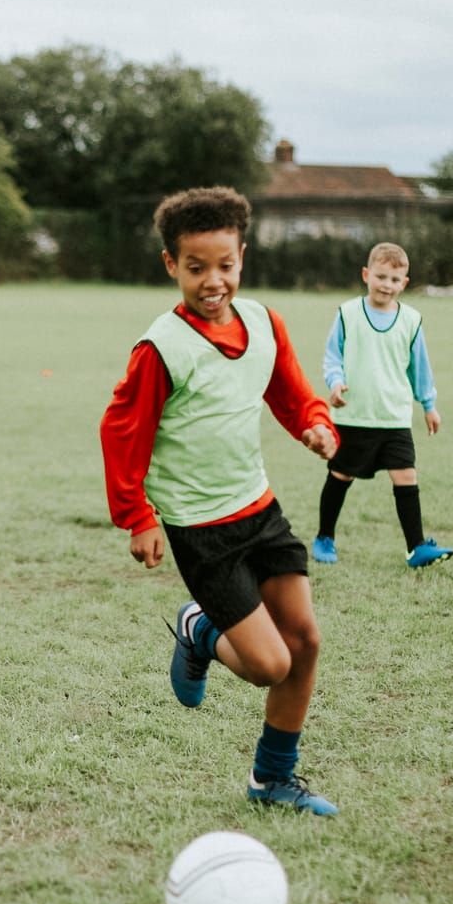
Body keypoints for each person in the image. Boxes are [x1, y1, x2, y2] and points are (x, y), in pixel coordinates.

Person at [100, 186, 342, 815]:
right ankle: (199, 629)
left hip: (260, 511)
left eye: (225, 265)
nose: (214, 281)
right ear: (170, 266)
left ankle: (271, 780)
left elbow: (291, 395)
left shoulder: (263, 321)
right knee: (267, 664)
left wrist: (317, 425)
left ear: (242, 257)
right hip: (199, 529)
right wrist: (137, 517)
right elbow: (122, 432)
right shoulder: (161, 348)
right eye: (196, 267)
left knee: (305, 642)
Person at [311, 242, 453, 569]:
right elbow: (333, 356)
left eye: (394, 279)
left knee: (406, 476)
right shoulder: (348, 313)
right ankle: (324, 537)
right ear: (366, 275)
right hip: (354, 414)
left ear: (404, 283)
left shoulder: (412, 320)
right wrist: (335, 383)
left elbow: (420, 369)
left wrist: (429, 405)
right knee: (340, 474)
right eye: (380, 276)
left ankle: (416, 547)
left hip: (394, 417)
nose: (386, 284)